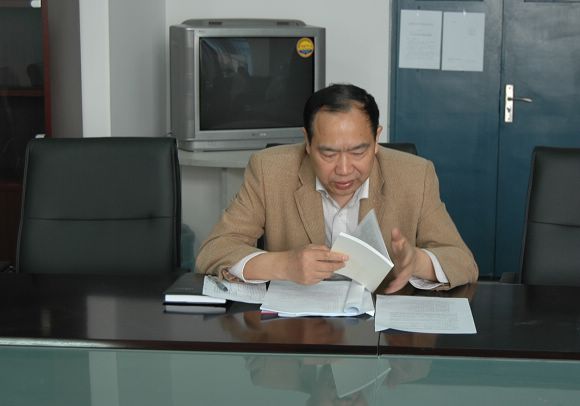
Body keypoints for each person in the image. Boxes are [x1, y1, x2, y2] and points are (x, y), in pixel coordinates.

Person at [196, 84, 478, 292]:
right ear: (307, 142)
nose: (344, 169)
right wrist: (283, 265)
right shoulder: (269, 170)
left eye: (358, 151)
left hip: (378, 334)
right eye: (328, 153)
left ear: (376, 139)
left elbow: (463, 262)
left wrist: (417, 262)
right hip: (296, 332)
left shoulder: (415, 175)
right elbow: (214, 250)